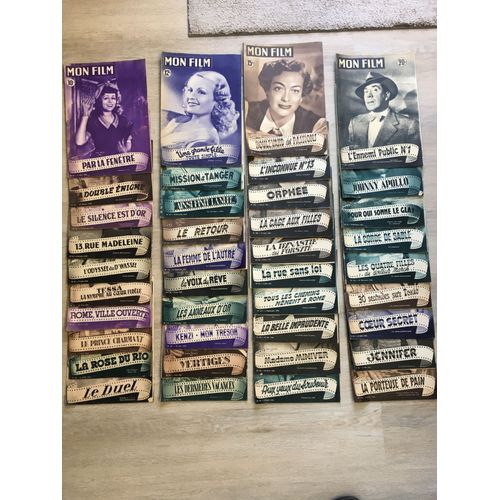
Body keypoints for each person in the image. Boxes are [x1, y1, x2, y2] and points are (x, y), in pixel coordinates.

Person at [246, 59, 327, 139]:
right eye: (278, 88)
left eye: (295, 91)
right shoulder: (246, 112)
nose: (286, 98)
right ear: (268, 92)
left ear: (301, 97)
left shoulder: (316, 125)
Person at [161, 71, 239, 149]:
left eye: (201, 92)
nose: (191, 96)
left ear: (217, 101)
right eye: (190, 90)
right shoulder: (179, 119)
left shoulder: (206, 141)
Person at [347, 71, 420, 149]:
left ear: (386, 95)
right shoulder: (355, 123)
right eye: (366, 91)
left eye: (375, 90)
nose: (369, 95)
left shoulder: (409, 125)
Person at [75, 80, 133, 156]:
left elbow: (128, 141)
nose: (110, 101)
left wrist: (126, 152)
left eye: (113, 98)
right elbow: (79, 142)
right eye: (106, 98)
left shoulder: (124, 121)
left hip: (119, 160)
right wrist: (85, 116)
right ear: (100, 100)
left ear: (116, 101)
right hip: (99, 161)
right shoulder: (93, 121)